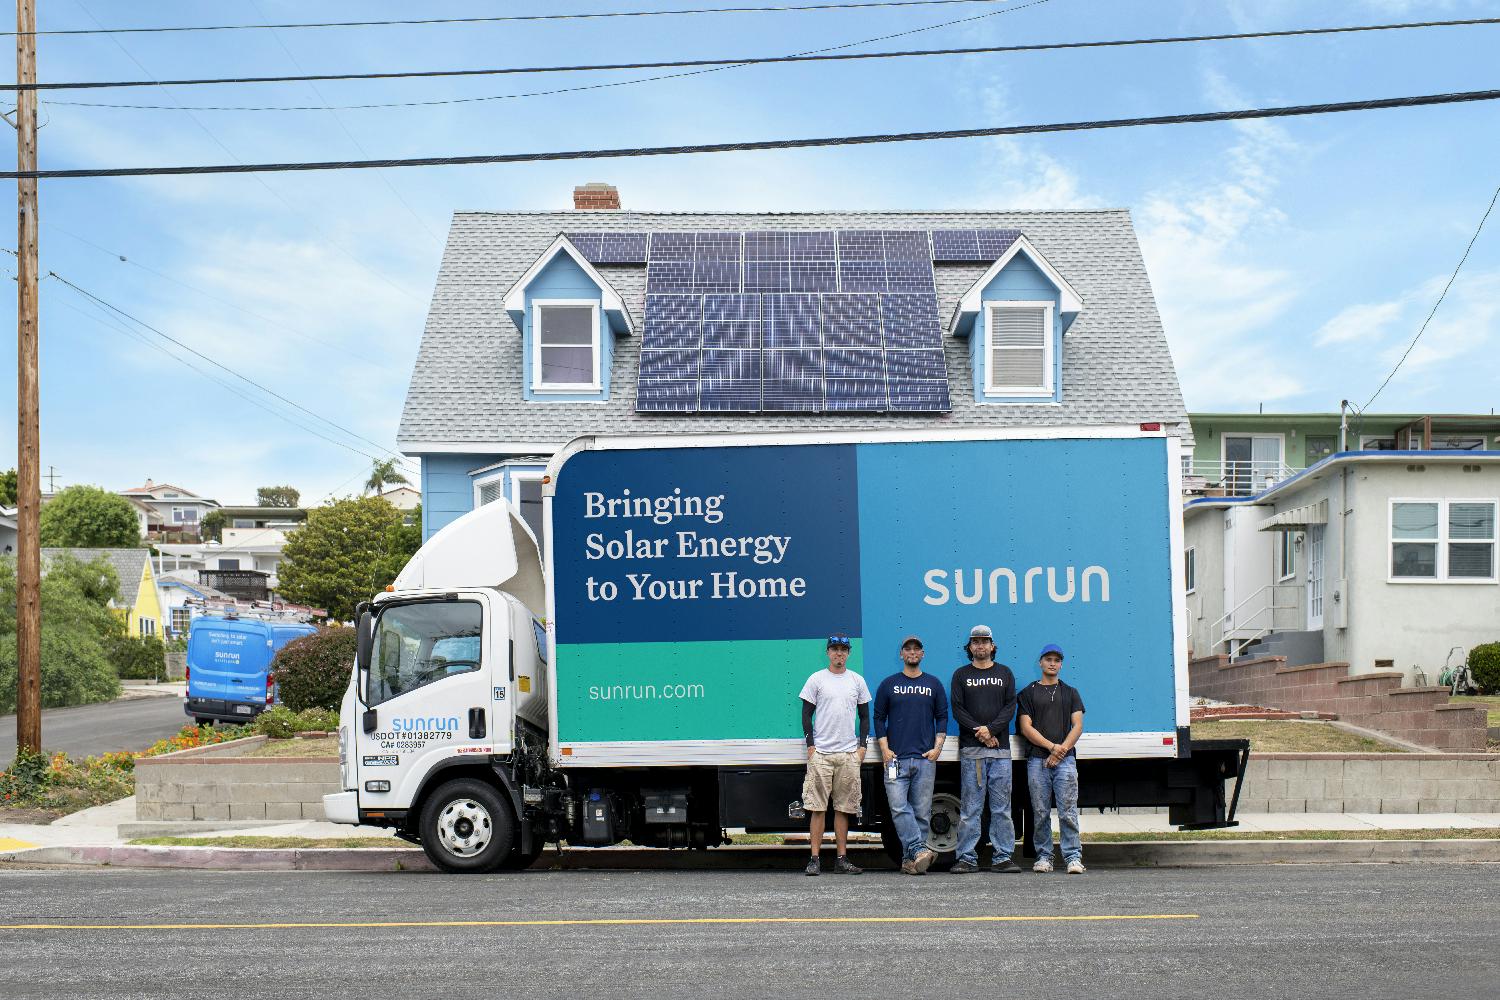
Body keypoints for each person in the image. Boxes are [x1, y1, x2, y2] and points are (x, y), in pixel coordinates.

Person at [873, 635, 948, 875]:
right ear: (901, 655)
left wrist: (938, 748)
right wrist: (884, 749)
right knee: (898, 807)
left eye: (917, 649)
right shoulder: (889, 684)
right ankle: (918, 849)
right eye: (908, 649)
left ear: (923, 654)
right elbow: (878, 717)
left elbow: (942, 717)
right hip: (895, 760)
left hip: (925, 760)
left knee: (922, 812)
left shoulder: (933, 684)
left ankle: (909, 861)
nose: (912, 652)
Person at [948, 624, 1020, 874]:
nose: (980, 646)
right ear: (969, 647)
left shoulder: (1005, 673)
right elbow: (958, 710)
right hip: (972, 753)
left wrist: (991, 730)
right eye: (975, 642)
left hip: (1000, 753)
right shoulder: (961, 675)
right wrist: (982, 732)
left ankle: (1003, 857)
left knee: (1001, 808)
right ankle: (967, 857)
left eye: (984, 641)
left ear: (992, 646)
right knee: (971, 809)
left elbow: (1010, 706)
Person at [799, 632, 872, 876]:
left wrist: (862, 746)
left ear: (848, 653)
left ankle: (841, 859)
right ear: (828, 653)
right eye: (834, 649)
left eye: (843, 649)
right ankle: (814, 859)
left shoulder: (857, 681)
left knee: (844, 808)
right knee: (817, 808)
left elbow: (864, 717)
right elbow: (806, 714)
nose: (839, 653)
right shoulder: (817, 679)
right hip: (821, 753)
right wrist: (810, 745)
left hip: (848, 753)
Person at [1017, 643, 1086, 874]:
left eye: (1057, 660)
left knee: (1068, 811)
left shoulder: (1071, 693)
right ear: (1040, 663)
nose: (1052, 663)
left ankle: (1073, 857)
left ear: (1061, 664)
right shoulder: (1028, 693)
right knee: (1040, 811)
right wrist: (1052, 748)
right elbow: (1026, 727)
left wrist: (1061, 751)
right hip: (1037, 760)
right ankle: (1044, 857)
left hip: (1065, 761)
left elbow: (1077, 726)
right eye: (1048, 659)